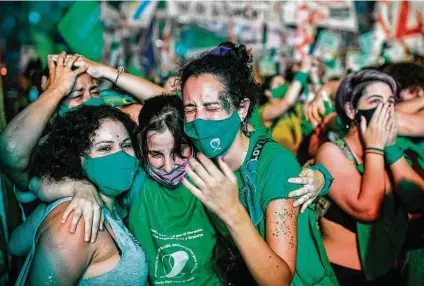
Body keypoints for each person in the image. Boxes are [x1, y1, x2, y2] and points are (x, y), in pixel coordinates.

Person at [178, 42, 338, 285]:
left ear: (241, 108)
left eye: (211, 107)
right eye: (190, 108)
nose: (199, 120)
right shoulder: (200, 160)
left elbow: (279, 280)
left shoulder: (275, 165)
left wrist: (231, 210)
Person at [10, 105, 148, 285]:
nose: (121, 155)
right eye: (105, 148)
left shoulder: (105, 205)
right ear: (78, 159)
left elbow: (16, 244)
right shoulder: (77, 221)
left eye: (126, 145)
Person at [315, 69, 424, 285]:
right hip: (344, 276)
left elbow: (417, 201)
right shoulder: (332, 152)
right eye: (376, 101)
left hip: (389, 275)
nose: (386, 109)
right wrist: (374, 147)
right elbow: (367, 209)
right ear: (351, 109)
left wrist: (391, 149)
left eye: (390, 102)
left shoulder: (394, 148)